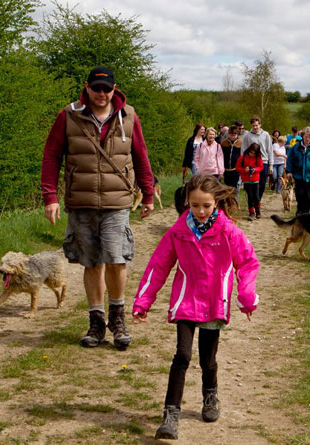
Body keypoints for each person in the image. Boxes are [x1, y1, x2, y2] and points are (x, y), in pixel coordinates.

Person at [131, 174, 260, 440]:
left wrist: (246, 296)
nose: (200, 211)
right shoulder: (178, 232)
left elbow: (247, 263)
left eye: (206, 206)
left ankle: (210, 396)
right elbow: (158, 265)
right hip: (186, 300)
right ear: (186, 203)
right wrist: (143, 302)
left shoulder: (228, 231)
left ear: (217, 203)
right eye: (194, 205)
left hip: (215, 301)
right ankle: (170, 414)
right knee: (182, 356)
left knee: (207, 359)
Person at [41, 66, 155, 350]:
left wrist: (149, 193)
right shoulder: (68, 116)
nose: (101, 94)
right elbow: (51, 156)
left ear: (114, 90)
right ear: (87, 87)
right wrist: (50, 197)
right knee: (91, 263)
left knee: (117, 260)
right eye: (96, 88)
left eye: (107, 89)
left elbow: (140, 156)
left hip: (117, 203)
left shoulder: (128, 116)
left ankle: (117, 319)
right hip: (81, 202)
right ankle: (96, 322)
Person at [242, 116, 273, 218]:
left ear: (260, 124)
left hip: (263, 162)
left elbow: (269, 150)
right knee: (251, 187)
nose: (255, 127)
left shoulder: (266, 135)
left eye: (257, 125)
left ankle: (257, 204)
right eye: (253, 125)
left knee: (262, 186)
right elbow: (244, 150)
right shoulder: (247, 136)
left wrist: (271, 165)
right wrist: (244, 163)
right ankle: (253, 208)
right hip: (251, 163)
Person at [236, 142, 264, 220]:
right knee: (250, 196)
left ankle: (258, 211)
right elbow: (237, 167)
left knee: (256, 196)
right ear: (249, 150)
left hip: (255, 179)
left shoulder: (258, 158)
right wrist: (244, 170)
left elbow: (261, 167)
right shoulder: (243, 157)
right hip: (246, 180)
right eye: (251, 152)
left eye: (254, 153)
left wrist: (254, 169)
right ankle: (251, 212)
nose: (252, 154)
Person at [220, 124, 242, 190]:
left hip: (236, 170)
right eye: (231, 135)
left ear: (237, 134)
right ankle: (228, 200)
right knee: (226, 188)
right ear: (228, 134)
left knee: (235, 188)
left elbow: (242, 156)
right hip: (226, 170)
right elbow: (220, 156)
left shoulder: (241, 143)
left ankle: (234, 200)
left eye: (234, 135)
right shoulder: (224, 143)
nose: (232, 137)